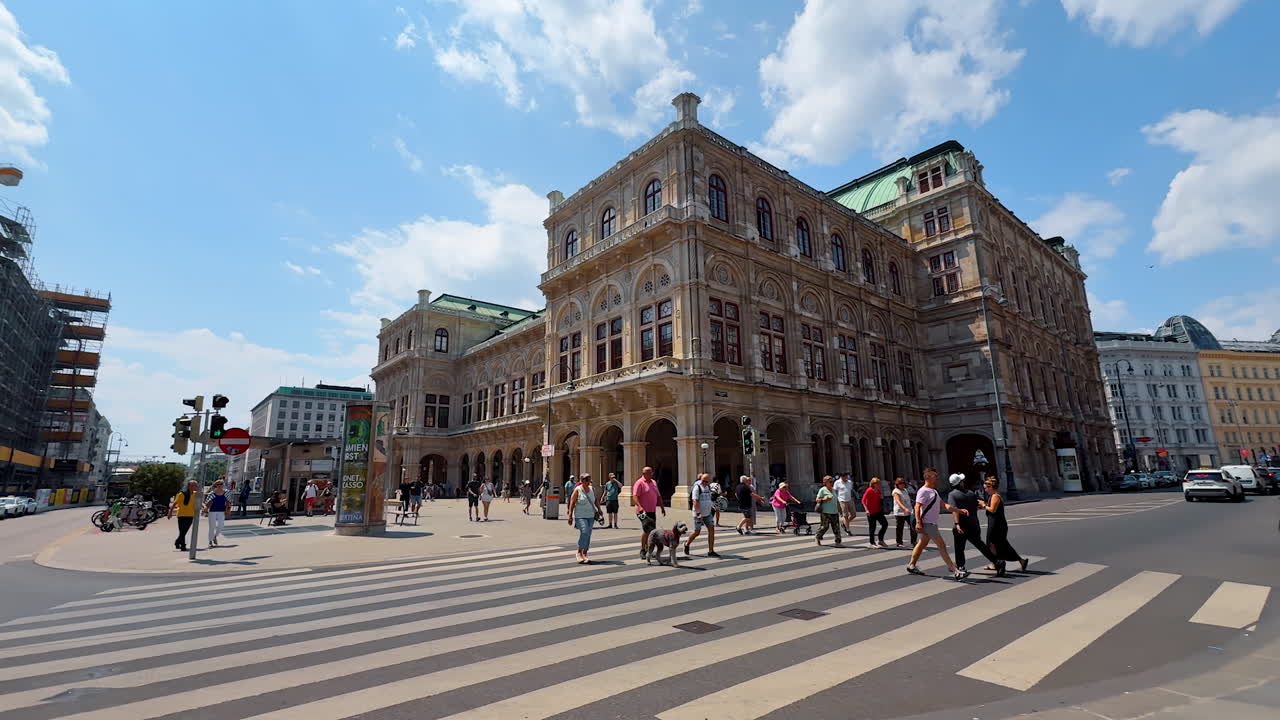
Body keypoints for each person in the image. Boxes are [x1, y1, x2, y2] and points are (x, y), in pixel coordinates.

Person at [906, 468, 966, 580]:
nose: (936, 478)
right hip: (927, 523)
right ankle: (955, 570)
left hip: (931, 522)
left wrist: (959, 510)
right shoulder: (923, 491)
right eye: (934, 476)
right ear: (928, 477)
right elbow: (917, 506)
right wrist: (919, 522)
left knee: (921, 544)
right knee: (941, 546)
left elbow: (944, 505)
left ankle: (911, 565)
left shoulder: (934, 491)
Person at [949, 475, 1006, 577]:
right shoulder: (970, 493)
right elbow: (977, 506)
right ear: (960, 483)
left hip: (962, 525)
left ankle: (961, 567)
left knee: (959, 548)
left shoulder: (952, 495)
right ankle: (997, 562)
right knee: (981, 545)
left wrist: (957, 524)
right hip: (974, 524)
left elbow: (955, 510)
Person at [978, 476, 1027, 573]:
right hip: (995, 523)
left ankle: (998, 563)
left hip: (997, 525)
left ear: (991, 487)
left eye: (986, 488)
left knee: (993, 544)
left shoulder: (995, 496)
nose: (985, 490)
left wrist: (984, 505)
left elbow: (992, 509)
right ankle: (1001, 562)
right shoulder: (993, 496)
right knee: (1000, 545)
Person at [631, 466, 666, 559]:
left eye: (652, 472)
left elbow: (658, 496)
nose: (651, 474)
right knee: (647, 529)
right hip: (642, 512)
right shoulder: (639, 483)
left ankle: (649, 550)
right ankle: (643, 550)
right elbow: (635, 496)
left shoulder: (653, 482)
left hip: (652, 510)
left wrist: (662, 507)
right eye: (649, 473)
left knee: (652, 531)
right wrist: (640, 506)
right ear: (644, 474)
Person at [684, 473, 719, 558]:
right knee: (697, 532)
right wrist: (699, 513)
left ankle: (711, 551)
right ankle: (687, 543)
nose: (705, 483)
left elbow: (709, 498)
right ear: (701, 480)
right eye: (703, 481)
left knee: (711, 529)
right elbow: (695, 501)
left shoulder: (708, 487)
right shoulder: (697, 487)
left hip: (708, 513)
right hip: (698, 514)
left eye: (707, 481)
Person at [566, 473, 596, 564]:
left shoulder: (591, 489)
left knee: (588, 534)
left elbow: (596, 500)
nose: (588, 482)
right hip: (580, 516)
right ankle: (579, 552)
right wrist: (570, 515)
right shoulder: (577, 490)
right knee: (585, 531)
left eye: (589, 480)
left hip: (591, 515)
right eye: (587, 480)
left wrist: (599, 510)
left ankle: (585, 553)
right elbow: (572, 502)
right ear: (582, 481)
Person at [169, 479, 199, 551]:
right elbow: (174, 504)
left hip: (190, 515)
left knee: (184, 531)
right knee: (182, 531)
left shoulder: (196, 494)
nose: (195, 487)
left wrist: (204, 507)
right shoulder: (182, 494)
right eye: (193, 485)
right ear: (189, 486)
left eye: (196, 485)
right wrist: (170, 513)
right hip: (181, 515)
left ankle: (177, 542)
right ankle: (183, 545)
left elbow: (199, 502)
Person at [814, 475, 843, 547]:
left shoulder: (833, 490)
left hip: (834, 511)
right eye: (830, 482)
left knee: (836, 527)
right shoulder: (822, 490)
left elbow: (836, 500)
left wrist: (840, 510)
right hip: (825, 512)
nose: (831, 483)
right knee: (824, 527)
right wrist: (825, 499)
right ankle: (818, 536)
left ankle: (838, 542)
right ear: (825, 482)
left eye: (832, 481)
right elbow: (817, 499)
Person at [861, 477, 888, 547]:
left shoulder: (878, 490)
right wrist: (866, 510)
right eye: (877, 483)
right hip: (871, 512)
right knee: (872, 527)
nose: (879, 484)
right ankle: (872, 543)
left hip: (878, 511)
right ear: (873, 484)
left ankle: (880, 540)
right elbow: (863, 501)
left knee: (885, 524)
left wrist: (881, 498)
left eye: (879, 483)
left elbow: (880, 499)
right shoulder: (869, 490)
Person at [891, 477, 917, 547]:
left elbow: (908, 499)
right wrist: (904, 508)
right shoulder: (896, 491)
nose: (902, 485)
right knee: (900, 528)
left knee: (913, 525)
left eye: (903, 483)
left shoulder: (905, 490)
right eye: (900, 483)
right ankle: (899, 542)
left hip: (909, 511)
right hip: (900, 512)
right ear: (897, 484)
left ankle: (914, 541)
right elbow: (898, 501)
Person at [204, 480, 230, 548]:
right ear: (216, 485)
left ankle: (215, 536)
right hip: (212, 511)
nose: (220, 485)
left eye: (221, 484)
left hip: (221, 511)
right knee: (212, 527)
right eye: (218, 484)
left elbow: (228, 502)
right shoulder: (212, 493)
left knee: (221, 526)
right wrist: (206, 508)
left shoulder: (226, 493)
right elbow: (207, 503)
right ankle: (210, 541)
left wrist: (228, 510)